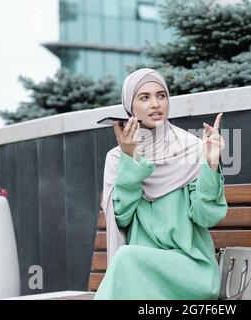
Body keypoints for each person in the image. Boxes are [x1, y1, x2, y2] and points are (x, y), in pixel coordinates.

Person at [94, 68, 228, 300]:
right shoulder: (117, 158)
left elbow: (206, 217)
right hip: (141, 272)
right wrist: (131, 161)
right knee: (129, 264)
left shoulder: (192, 148)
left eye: (161, 95)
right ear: (130, 107)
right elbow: (121, 218)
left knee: (126, 259)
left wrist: (211, 165)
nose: (155, 104)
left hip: (191, 269)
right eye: (144, 97)